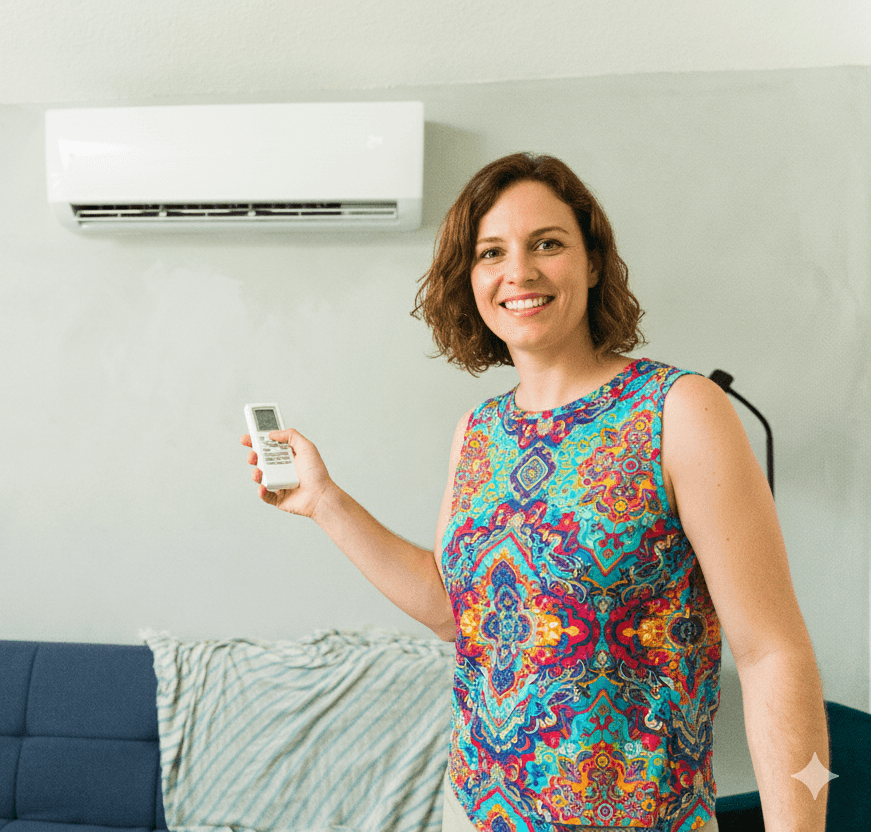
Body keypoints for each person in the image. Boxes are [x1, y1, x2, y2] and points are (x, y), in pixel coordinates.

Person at [241, 153, 829, 832]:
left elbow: (773, 653)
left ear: (594, 261)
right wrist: (324, 501)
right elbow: (455, 618)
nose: (519, 271)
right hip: (473, 809)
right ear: (471, 279)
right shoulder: (479, 431)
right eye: (492, 252)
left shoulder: (679, 409)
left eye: (547, 243)